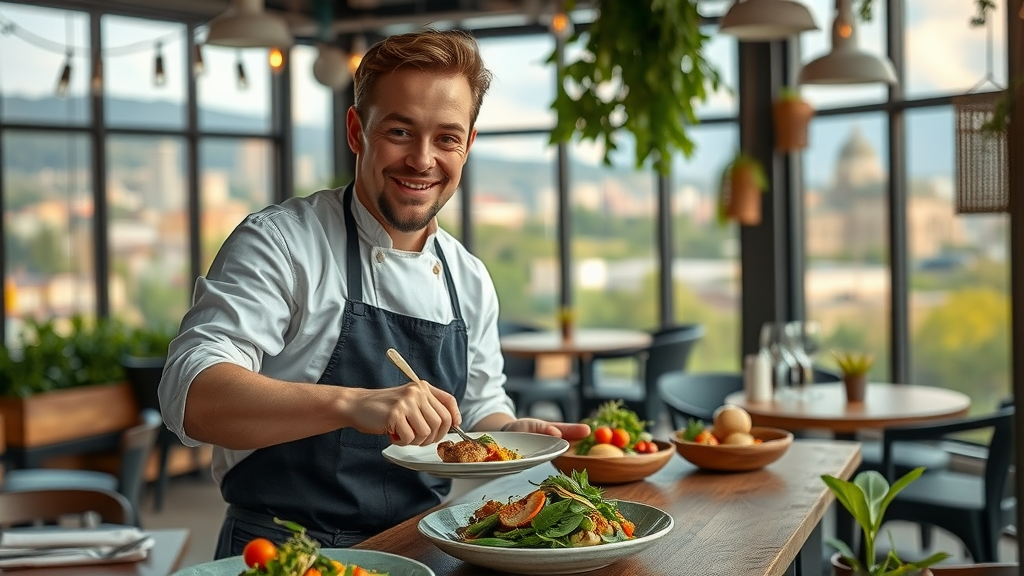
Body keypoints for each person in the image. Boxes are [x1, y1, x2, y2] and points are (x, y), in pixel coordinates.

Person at [158, 29, 590, 559]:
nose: (422, 160)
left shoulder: (469, 276)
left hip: (421, 547)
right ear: (356, 130)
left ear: (469, 144)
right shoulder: (282, 242)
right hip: (283, 551)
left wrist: (509, 431)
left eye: (447, 138)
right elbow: (192, 394)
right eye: (400, 131)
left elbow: (479, 406)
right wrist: (352, 403)